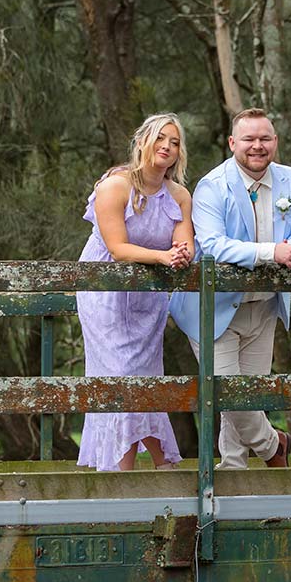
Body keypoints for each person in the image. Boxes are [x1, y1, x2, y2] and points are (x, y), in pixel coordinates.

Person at [168, 108, 291, 469]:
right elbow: (213, 244)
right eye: (248, 139)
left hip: (263, 307)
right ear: (233, 143)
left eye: (265, 138)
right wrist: (270, 252)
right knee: (228, 395)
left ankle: (233, 469)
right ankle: (272, 445)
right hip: (215, 308)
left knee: (249, 395)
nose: (257, 146)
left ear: (275, 141)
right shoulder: (212, 186)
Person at [77, 113, 193, 472]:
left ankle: (163, 468)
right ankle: (119, 477)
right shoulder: (116, 187)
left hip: (148, 296)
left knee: (146, 377)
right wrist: (164, 256)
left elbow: (184, 238)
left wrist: (183, 250)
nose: (167, 147)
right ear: (142, 142)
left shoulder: (179, 195)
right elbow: (118, 248)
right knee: (121, 375)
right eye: (161, 139)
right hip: (106, 291)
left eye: (175, 142)